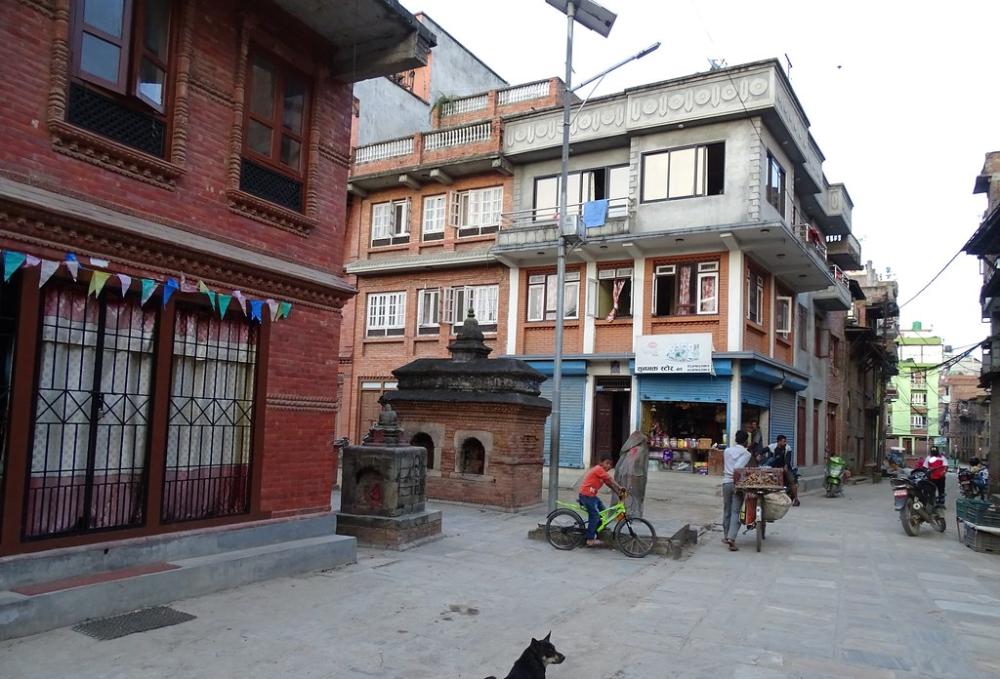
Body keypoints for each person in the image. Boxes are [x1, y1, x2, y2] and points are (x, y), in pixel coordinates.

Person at [579, 454, 626, 546]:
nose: (609, 466)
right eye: (607, 463)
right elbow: (610, 479)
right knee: (595, 516)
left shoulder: (602, 473)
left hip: (592, 496)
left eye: (610, 464)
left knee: (603, 512)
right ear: (601, 463)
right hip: (586, 496)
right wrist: (619, 487)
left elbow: (608, 483)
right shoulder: (598, 469)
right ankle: (590, 539)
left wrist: (618, 493)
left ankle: (598, 529)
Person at [722, 430, 752, 551]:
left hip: (726, 482)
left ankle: (726, 536)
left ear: (735, 439)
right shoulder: (746, 453)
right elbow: (737, 468)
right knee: (736, 512)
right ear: (746, 441)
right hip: (736, 484)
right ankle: (731, 538)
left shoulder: (727, 451)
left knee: (727, 510)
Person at [613, 431, 649, 517]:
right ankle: (634, 514)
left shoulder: (626, 450)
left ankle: (620, 514)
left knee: (623, 495)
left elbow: (618, 466)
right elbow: (643, 466)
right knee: (635, 496)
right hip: (636, 477)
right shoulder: (642, 450)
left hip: (622, 475)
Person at [766, 435, 800, 507]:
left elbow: (788, 458)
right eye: (783, 441)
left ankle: (796, 499)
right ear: (778, 441)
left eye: (785, 441)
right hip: (775, 468)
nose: (785, 443)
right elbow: (764, 450)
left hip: (785, 467)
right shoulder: (772, 446)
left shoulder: (788, 448)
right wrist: (758, 454)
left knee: (792, 481)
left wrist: (786, 465)